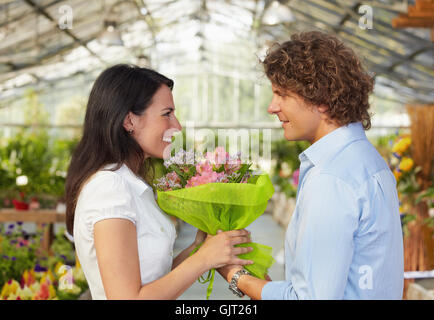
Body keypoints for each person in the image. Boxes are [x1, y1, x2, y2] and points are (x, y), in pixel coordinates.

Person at [218, 31, 404, 299]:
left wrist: (236, 276)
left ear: (322, 100)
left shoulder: (331, 177)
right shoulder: (367, 160)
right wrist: (261, 278)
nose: (272, 107)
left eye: (281, 94)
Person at [65, 64, 253, 300]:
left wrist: (200, 248)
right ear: (129, 121)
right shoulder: (109, 188)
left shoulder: (129, 183)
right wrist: (205, 258)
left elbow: (154, 282)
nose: (177, 126)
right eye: (167, 114)